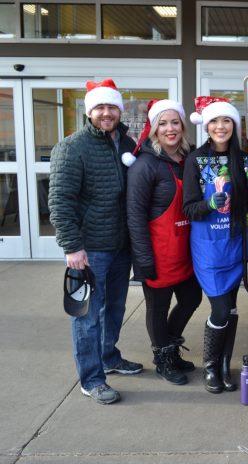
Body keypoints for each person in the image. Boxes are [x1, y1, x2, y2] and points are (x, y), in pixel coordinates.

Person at [48, 78, 143, 405]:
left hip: (120, 247)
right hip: (89, 249)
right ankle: (92, 379)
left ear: (119, 109)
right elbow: (60, 200)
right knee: (87, 316)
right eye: (100, 108)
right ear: (90, 112)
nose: (106, 113)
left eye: (111, 107)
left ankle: (108, 356)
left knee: (115, 308)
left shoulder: (128, 144)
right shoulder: (72, 147)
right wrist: (72, 247)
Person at [183, 96, 248, 394]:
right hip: (209, 247)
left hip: (235, 242)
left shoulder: (242, 160)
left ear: (234, 125)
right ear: (207, 126)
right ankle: (210, 366)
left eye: (226, 120)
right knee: (221, 309)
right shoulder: (195, 159)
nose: (220, 126)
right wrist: (207, 203)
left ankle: (226, 365)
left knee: (233, 308)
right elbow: (188, 208)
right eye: (214, 121)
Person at [126, 99, 202, 386]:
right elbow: (134, 215)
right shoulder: (145, 165)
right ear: (154, 129)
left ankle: (169, 344)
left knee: (192, 298)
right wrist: (143, 260)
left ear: (182, 126)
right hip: (158, 252)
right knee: (157, 308)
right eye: (163, 123)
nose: (170, 128)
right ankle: (163, 358)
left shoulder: (189, 159)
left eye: (175, 122)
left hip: (186, 249)